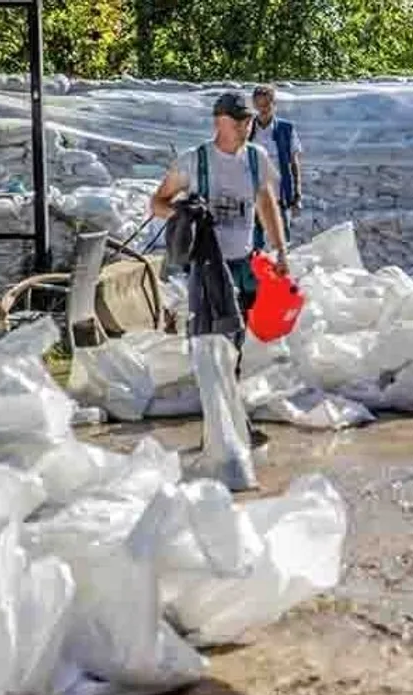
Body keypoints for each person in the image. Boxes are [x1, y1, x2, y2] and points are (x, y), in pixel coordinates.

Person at [152, 92, 288, 449]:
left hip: (242, 264)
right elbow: (158, 202)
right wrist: (187, 216)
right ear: (219, 122)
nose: (246, 125)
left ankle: (230, 424)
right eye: (239, 120)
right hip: (207, 267)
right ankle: (222, 428)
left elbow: (266, 204)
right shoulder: (195, 161)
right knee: (214, 345)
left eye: (247, 120)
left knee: (236, 346)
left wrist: (280, 250)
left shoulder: (256, 159)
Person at [249, 85, 304, 250]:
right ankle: (254, 274)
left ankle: (282, 272)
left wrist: (297, 193)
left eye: (266, 105)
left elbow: (293, 162)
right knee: (253, 243)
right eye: (259, 105)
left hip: (279, 195)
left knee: (282, 241)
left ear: (274, 104)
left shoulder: (286, 129)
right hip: (254, 195)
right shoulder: (248, 129)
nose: (263, 109)